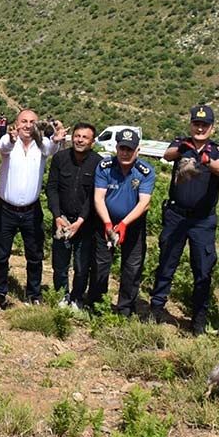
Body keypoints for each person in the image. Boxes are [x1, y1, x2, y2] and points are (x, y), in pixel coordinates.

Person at [148, 105, 219, 335]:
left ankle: (198, 321)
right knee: (166, 262)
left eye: (205, 125)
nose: (200, 128)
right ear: (191, 124)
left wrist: (206, 160)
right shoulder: (180, 142)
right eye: (197, 123)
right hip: (176, 216)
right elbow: (167, 155)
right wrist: (183, 148)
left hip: (202, 221)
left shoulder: (217, 149)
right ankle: (156, 309)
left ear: (212, 127)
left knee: (202, 270)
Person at [0, 109, 66, 308]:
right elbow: (3, 146)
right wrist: (11, 138)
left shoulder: (42, 146)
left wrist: (57, 138)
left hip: (31, 211)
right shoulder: (8, 143)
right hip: (5, 210)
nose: (27, 125)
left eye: (32, 122)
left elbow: (53, 147)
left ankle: (33, 294)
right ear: (17, 124)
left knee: (34, 255)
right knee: (1, 254)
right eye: (23, 121)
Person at [88, 129, 155, 316]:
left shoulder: (146, 171)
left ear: (137, 151)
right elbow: (99, 198)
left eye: (130, 149)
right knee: (100, 264)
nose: (125, 153)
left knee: (132, 268)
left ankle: (125, 309)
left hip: (132, 225)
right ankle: (96, 305)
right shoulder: (105, 166)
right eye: (122, 148)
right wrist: (109, 224)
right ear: (116, 148)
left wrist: (124, 224)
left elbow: (144, 202)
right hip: (105, 222)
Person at [44, 122, 101, 309]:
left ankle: (77, 297)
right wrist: (57, 215)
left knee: (81, 264)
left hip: (85, 223)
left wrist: (81, 221)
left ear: (92, 141)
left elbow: (95, 195)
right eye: (77, 136)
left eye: (85, 137)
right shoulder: (60, 158)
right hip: (62, 220)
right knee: (60, 262)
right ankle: (62, 295)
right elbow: (52, 187)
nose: (80, 140)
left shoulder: (98, 162)